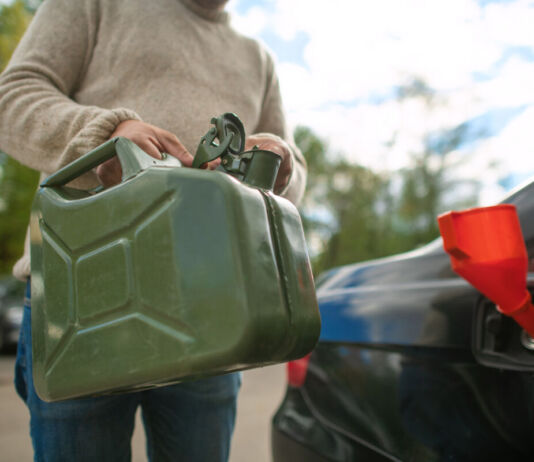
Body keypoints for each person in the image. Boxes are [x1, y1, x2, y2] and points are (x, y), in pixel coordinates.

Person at [0, 0, 306, 460]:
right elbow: (13, 96)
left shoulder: (258, 58)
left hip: (214, 298)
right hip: (84, 289)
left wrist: (280, 166)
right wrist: (104, 131)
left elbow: (292, 168)